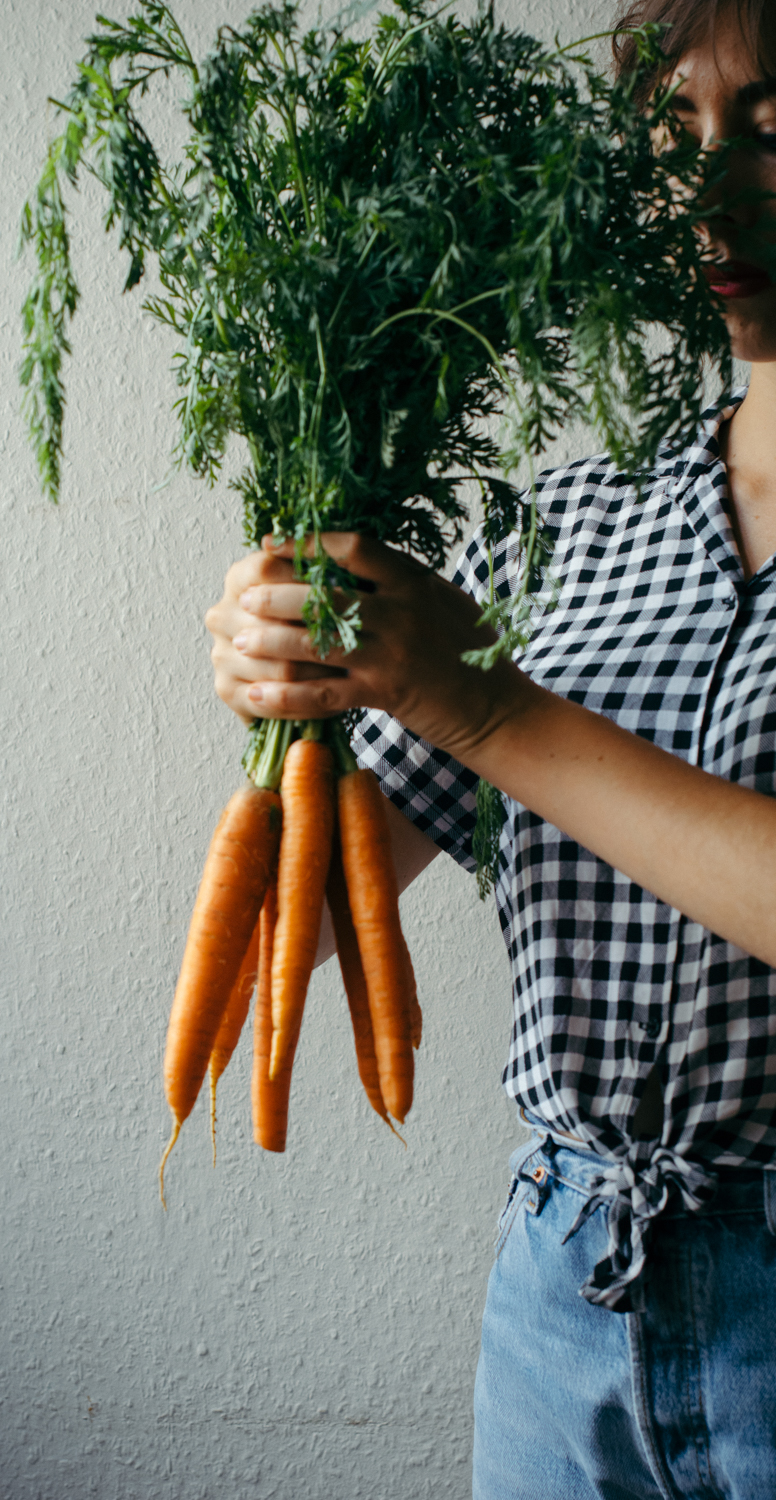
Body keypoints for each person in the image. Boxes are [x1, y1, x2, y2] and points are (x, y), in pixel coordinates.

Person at [206, 0, 776, 1494]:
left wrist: (483, 702)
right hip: (561, 1300)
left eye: (775, 133)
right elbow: (317, 910)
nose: (713, 190)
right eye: (674, 135)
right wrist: (299, 676)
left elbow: (492, 722)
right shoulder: (576, 523)